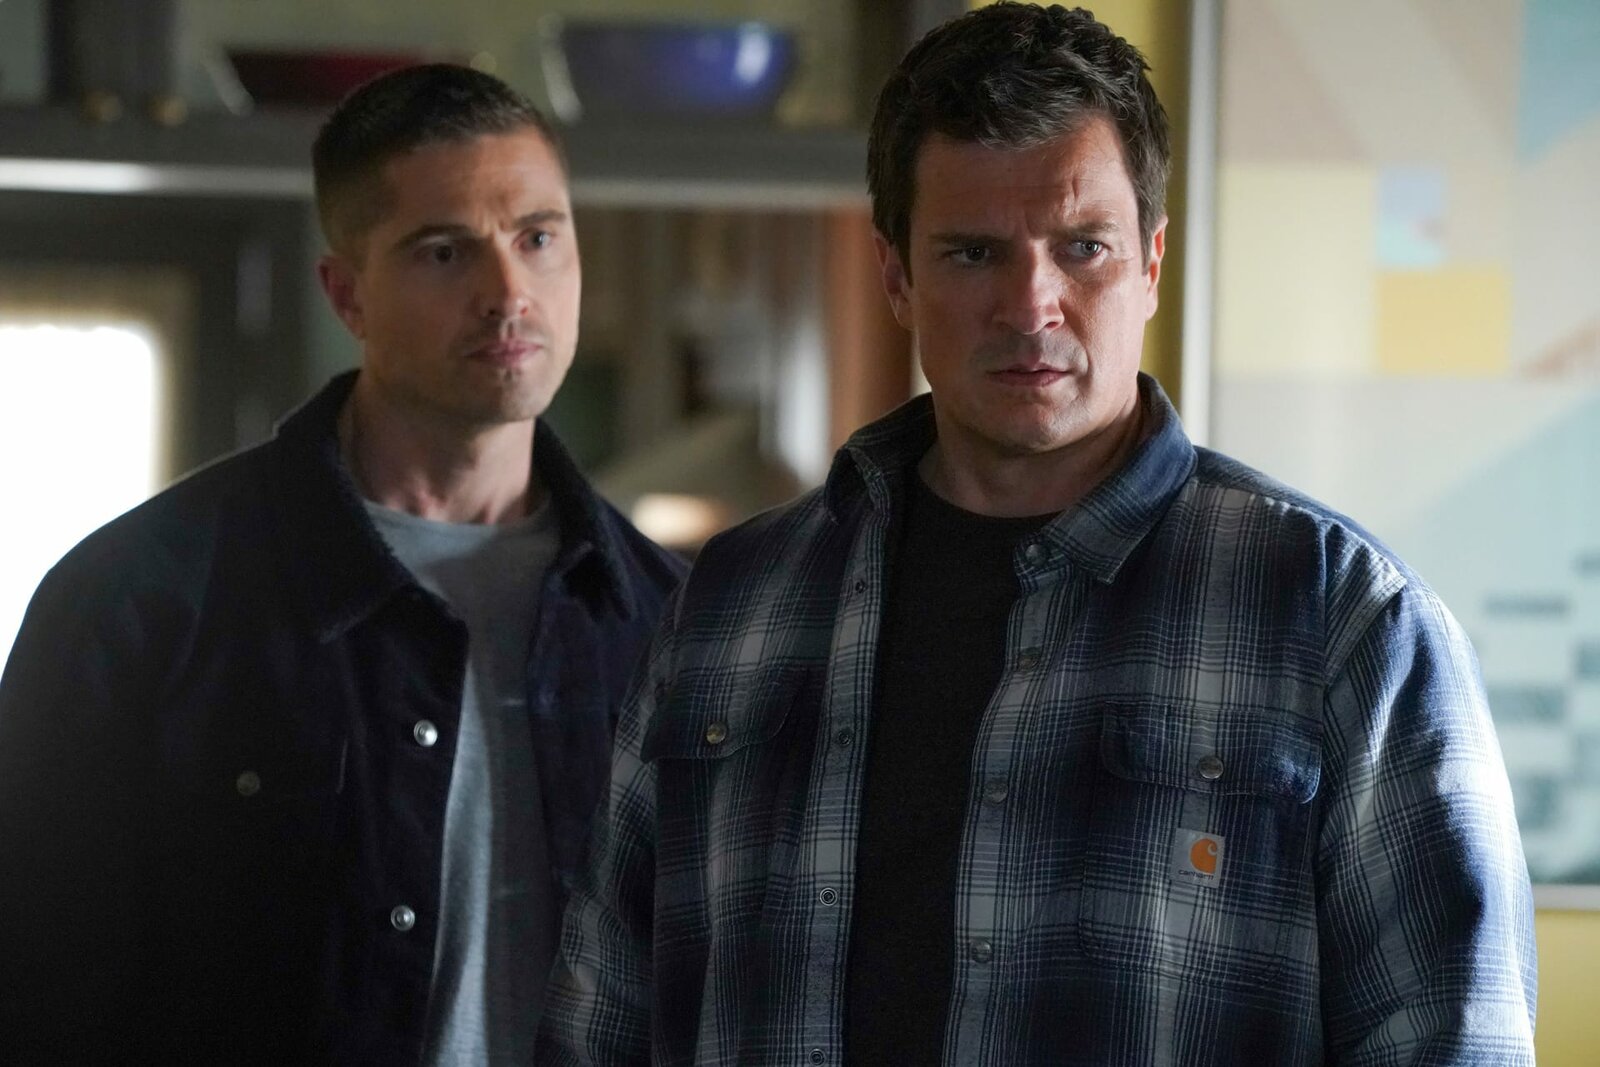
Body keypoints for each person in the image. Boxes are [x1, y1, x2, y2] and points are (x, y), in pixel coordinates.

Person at [538, 5, 1537, 1064]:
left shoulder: (1343, 618)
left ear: (1151, 263)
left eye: (1082, 248)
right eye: (973, 252)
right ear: (895, 275)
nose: (1031, 305)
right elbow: (601, 1018)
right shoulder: (731, 604)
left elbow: (1454, 1036)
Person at [0, 64, 684, 1064]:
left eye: (538, 238)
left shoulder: (671, 619)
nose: (509, 293)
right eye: (444, 251)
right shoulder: (139, 601)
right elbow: (35, 989)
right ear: (347, 293)